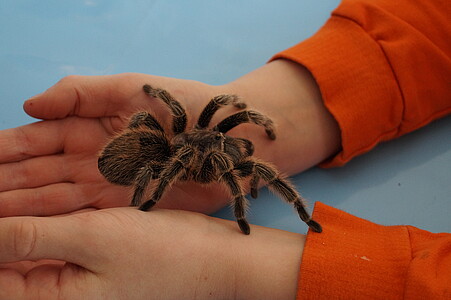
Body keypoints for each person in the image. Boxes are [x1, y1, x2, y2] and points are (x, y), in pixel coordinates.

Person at [0, 0, 450, 298]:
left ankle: (293, 214)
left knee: (210, 138)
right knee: (209, 147)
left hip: (157, 154)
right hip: (149, 159)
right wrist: (290, 111)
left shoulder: (205, 138)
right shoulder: (198, 149)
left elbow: (217, 120)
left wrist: (235, 266)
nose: (236, 143)